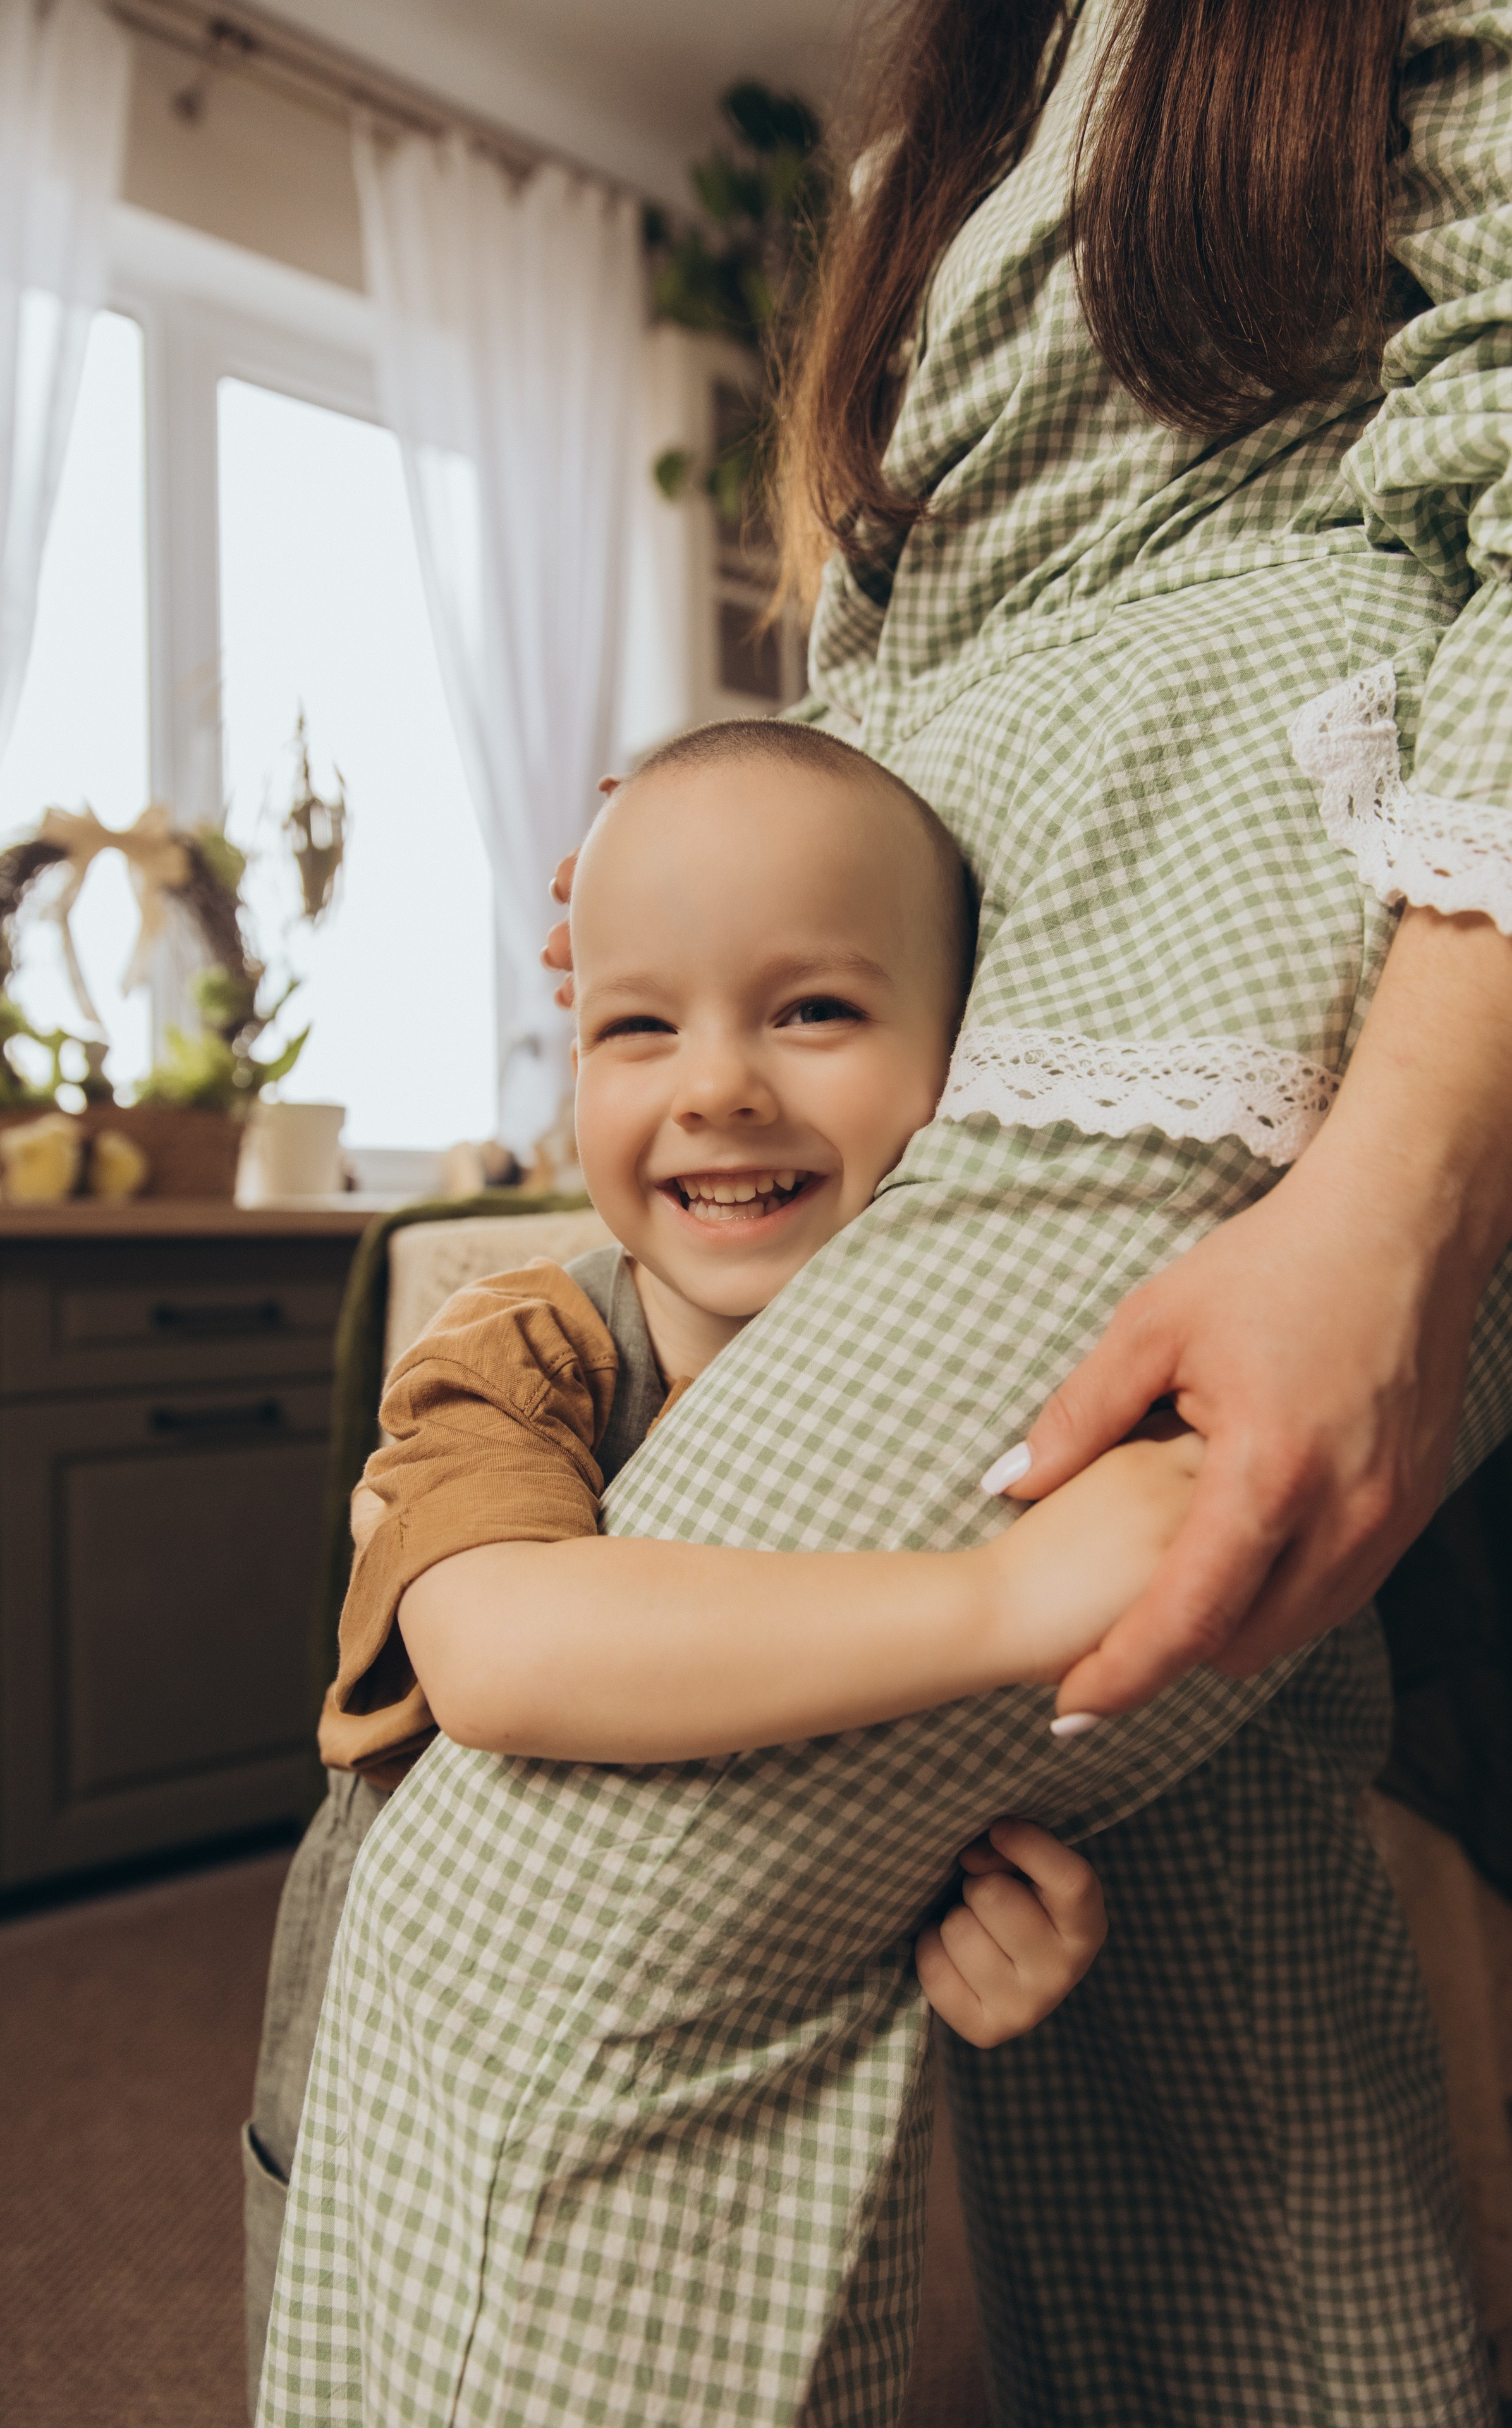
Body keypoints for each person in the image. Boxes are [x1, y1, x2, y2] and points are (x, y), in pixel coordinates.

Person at [252, 719, 1181, 2417]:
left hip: (730, 2113)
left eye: (812, 1010)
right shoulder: (510, 1347)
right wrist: (1006, 1602)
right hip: (410, 2094)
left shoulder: (953, 1381)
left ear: (963, 1059)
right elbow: (509, 1655)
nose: (718, 1086)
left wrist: (1014, 1927)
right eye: (636, 1027)